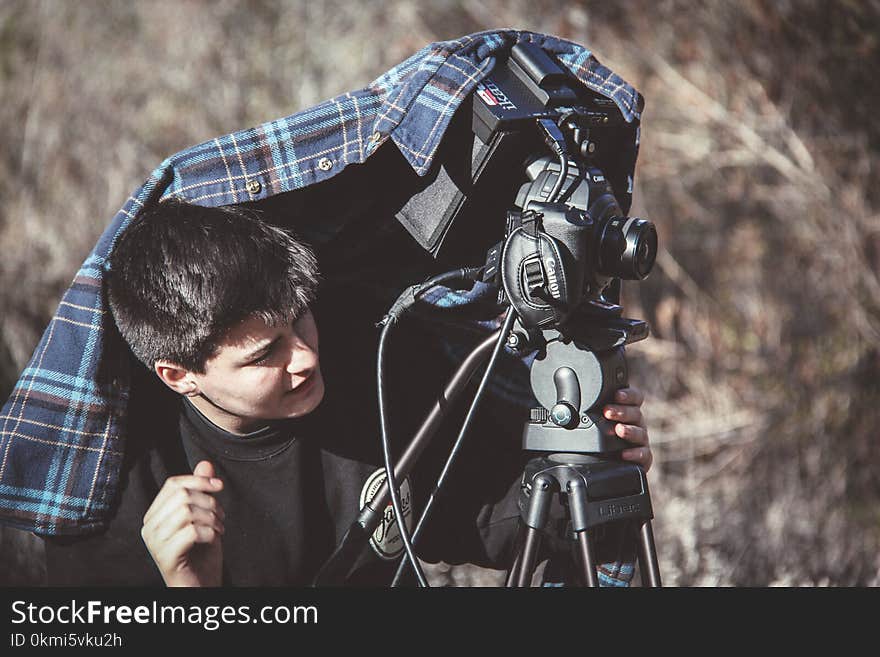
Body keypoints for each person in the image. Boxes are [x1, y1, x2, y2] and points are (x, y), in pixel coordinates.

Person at [43, 198, 653, 586]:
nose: (305, 358)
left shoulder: (374, 370)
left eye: (300, 321)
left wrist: (591, 458)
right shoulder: (117, 490)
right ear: (179, 374)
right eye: (264, 355)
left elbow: (479, 518)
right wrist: (188, 592)